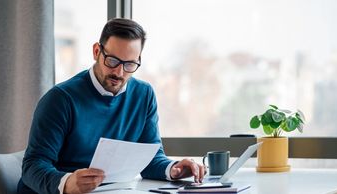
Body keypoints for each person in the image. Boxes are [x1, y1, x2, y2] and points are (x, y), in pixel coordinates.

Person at [17, 18, 205, 194]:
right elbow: (33, 166)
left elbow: (151, 159)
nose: (119, 72)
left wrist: (175, 169)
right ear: (97, 52)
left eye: (130, 64)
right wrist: (66, 182)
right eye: (113, 61)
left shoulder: (143, 95)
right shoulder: (60, 99)